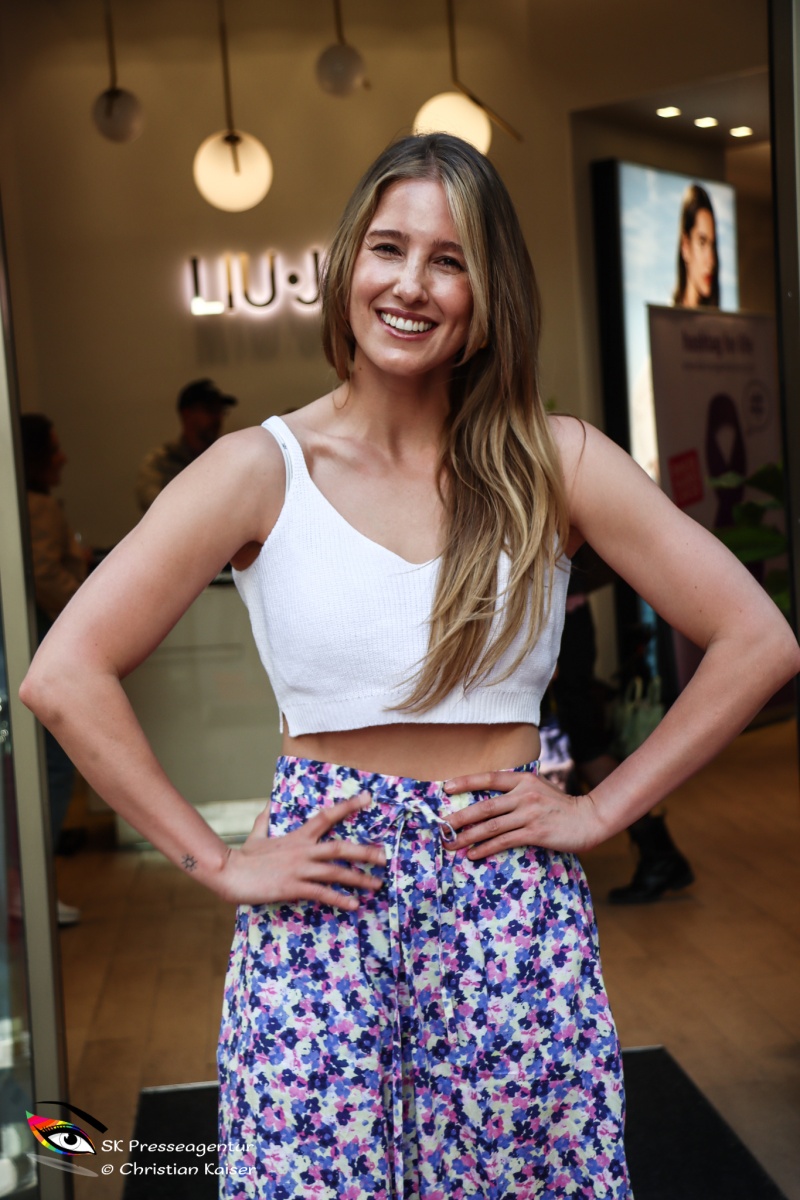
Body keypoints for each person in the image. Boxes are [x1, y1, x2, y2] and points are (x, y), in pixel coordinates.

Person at [19, 135, 799, 1198]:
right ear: (348, 262)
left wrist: (603, 810)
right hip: (323, 902)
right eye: (388, 248)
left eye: (449, 259)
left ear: (487, 292)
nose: (410, 284)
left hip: (506, 902)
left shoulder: (553, 460)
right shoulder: (258, 468)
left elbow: (758, 640)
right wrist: (220, 864)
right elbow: (64, 674)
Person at [552, 548, 695, 904]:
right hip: (561, 624)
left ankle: (658, 854)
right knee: (585, 745)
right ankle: (659, 854)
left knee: (587, 746)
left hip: (563, 626)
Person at [20, 414, 92, 926]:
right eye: (54, 448)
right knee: (53, 765)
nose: (63, 457)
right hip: (45, 640)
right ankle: (28, 888)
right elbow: (46, 575)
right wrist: (90, 611)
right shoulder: (38, 507)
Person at [135, 378, 237, 511]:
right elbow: (153, 504)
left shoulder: (230, 458)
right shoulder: (161, 461)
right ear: (187, 414)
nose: (217, 418)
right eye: (210, 410)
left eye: (220, 411)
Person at [673, 183, 719, 308]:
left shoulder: (716, 317)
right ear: (685, 246)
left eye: (712, 245)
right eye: (702, 243)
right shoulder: (665, 316)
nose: (711, 262)